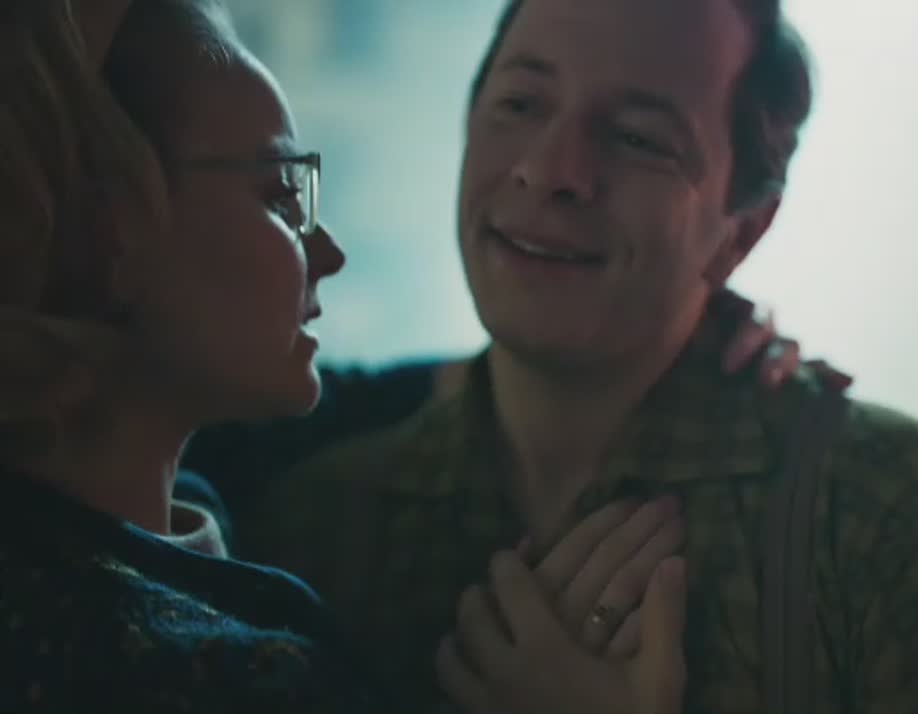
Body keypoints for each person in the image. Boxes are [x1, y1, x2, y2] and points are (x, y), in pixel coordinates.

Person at [224, 1, 918, 713]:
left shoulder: (889, 523)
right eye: (521, 103)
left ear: (742, 230)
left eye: (638, 137)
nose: (552, 170)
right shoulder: (312, 533)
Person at [1, 1, 691, 712]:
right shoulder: (212, 679)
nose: (328, 252)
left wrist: (684, 319)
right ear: (110, 229)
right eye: (280, 196)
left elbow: (348, 401)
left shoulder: (171, 482)